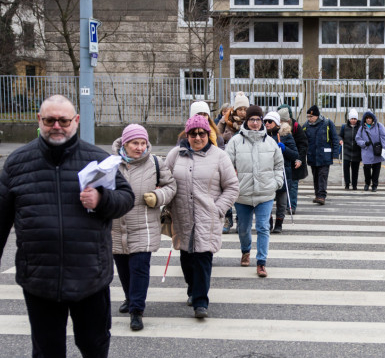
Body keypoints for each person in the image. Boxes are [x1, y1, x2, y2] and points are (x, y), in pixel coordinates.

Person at [0, 94, 135, 358]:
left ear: (75, 121)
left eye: (63, 120)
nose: (57, 127)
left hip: (90, 273)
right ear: (39, 120)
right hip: (40, 277)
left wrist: (102, 201)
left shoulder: (97, 158)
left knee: (93, 340)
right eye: (50, 121)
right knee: (47, 353)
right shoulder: (19, 162)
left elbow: (126, 198)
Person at [165, 114, 239, 317]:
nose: (197, 138)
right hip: (182, 216)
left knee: (203, 258)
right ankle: (192, 289)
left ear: (208, 133)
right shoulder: (175, 155)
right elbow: (165, 180)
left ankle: (200, 302)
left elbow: (232, 187)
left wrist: (218, 209)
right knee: (187, 259)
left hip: (207, 217)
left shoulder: (219, 156)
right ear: (186, 135)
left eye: (201, 133)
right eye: (193, 134)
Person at [111, 124, 177, 331]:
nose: (140, 148)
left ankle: (136, 311)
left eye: (143, 143)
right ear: (124, 144)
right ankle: (130, 298)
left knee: (139, 268)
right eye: (134, 143)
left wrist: (158, 196)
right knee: (123, 269)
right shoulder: (111, 164)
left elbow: (171, 187)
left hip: (144, 226)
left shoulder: (156, 163)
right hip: (116, 226)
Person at [226, 105, 284, 277]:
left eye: (258, 119)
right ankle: (245, 250)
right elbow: (226, 165)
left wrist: (277, 182)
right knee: (243, 228)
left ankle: (261, 262)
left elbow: (278, 165)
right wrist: (233, 184)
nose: (255, 123)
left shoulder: (270, 142)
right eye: (252, 119)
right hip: (242, 194)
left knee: (263, 227)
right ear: (246, 121)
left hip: (265, 193)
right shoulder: (235, 141)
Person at [263, 111, 298, 233]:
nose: (267, 124)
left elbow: (295, 154)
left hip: (283, 172)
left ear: (277, 123)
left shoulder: (286, 136)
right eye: (265, 121)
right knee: (266, 200)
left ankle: (279, 223)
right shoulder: (262, 136)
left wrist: (284, 148)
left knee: (281, 202)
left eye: (270, 121)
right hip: (267, 172)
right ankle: (268, 222)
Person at [303, 105, 340, 205]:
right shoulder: (306, 126)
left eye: (311, 117)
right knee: (315, 176)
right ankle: (317, 195)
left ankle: (322, 196)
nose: (309, 119)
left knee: (322, 176)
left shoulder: (327, 123)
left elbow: (334, 138)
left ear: (316, 116)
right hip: (312, 155)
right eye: (308, 116)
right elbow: (303, 141)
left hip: (324, 156)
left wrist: (335, 153)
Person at [277, 104, 307, 214]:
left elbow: (303, 145)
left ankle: (291, 206)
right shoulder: (276, 128)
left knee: (293, 185)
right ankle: (283, 205)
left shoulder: (296, 127)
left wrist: (299, 159)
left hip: (295, 161)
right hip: (283, 162)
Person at [356, 110, 385, 192]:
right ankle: (367, 183)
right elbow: (357, 139)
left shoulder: (379, 126)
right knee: (366, 168)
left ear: (373, 119)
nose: (368, 119)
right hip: (366, 151)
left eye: (370, 118)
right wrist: (364, 143)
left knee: (376, 168)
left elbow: (384, 137)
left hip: (377, 150)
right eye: (366, 118)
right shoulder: (362, 128)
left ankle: (374, 185)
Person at [339, 110, 362, 190]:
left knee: (355, 169)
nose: (353, 120)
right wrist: (340, 140)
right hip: (346, 151)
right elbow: (340, 136)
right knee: (346, 169)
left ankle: (354, 184)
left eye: (355, 119)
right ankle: (347, 183)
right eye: (352, 118)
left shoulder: (360, 127)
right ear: (349, 119)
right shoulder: (344, 127)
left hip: (357, 151)